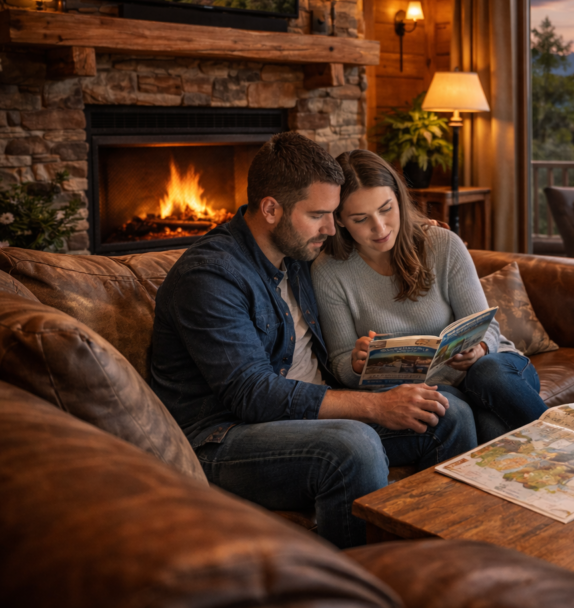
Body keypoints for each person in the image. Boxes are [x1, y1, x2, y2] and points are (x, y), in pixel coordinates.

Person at [149, 132, 476, 550]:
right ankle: (360, 586)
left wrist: (414, 230)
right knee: (352, 446)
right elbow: (253, 394)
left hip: (303, 418)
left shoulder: (298, 253)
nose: (330, 227)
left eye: (334, 213)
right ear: (270, 209)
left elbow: (371, 245)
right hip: (225, 438)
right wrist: (377, 405)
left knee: (448, 412)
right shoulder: (210, 277)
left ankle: (439, 561)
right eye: (319, 214)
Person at [311, 149, 548, 444]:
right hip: (431, 390)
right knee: (485, 427)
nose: (380, 228)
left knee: (486, 375)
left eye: (386, 209)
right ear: (341, 220)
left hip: (494, 372)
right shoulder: (328, 272)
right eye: (361, 218)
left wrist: (480, 349)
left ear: (399, 198)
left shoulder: (442, 245)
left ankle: (572, 446)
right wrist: (356, 363)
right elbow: (340, 365)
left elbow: (489, 328)